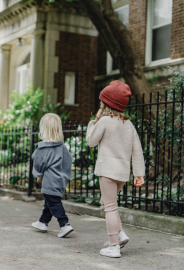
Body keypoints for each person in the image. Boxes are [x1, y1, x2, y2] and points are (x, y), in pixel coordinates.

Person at [86, 80, 145, 258]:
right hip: (122, 173)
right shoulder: (128, 124)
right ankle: (119, 235)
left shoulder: (103, 121)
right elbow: (137, 150)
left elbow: (91, 142)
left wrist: (91, 124)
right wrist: (139, 174)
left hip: (107, 171)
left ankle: (114, 246)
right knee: (107, 202)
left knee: (110, 207)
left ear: (106, 103)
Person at [31, 113, 73, 238]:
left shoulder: (42, 148)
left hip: (49, 180)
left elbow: (38, 163)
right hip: (61, 180)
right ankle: (42, 222)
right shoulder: (62, 147)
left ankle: (64, 224)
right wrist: (64, 176)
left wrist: (38, 175)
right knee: (50, 201)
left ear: (43, 129)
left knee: (54, 203)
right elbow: (68, 161)